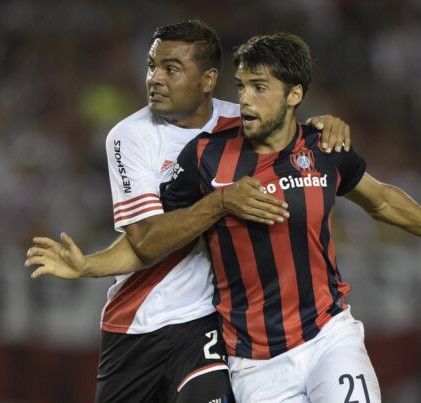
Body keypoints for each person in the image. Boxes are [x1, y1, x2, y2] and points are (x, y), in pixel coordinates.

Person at [28, 32, 421, 402]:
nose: (244, 98)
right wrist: (89, 266)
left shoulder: (323, 146)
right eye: (241, 86)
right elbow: (152, 239)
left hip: (329, 337)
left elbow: (384, 201)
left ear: (294, 95)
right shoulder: (204, 159)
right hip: (254, 364)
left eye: (259, 87)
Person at [26, 21, 353, 403]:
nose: (155, 78)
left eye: (171, 69)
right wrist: (88, 266)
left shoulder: (243, 122)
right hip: (137, 318)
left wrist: (325, 125)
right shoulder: (130, 136)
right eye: (152, 66)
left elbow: (295, 137)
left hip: (206, 322)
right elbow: (145, 242)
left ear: (209, 79)